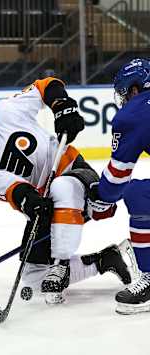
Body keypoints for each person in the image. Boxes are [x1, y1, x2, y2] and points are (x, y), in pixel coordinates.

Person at [0, 77, 132, 304]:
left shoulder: (5, 112)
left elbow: (46, 86)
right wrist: (29, 202)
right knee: (33, 277)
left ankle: (60, 265)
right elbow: (16, 190)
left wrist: (62, 106)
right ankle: (105, 260)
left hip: (75, 174)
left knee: (62, 187)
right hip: (48, 204)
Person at [87, 58, 150, 315]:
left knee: (138, 194)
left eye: (124, 92)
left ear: (134, 89)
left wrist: (99, 197)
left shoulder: (132, 114)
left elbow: (116, 179)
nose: (124, 98)